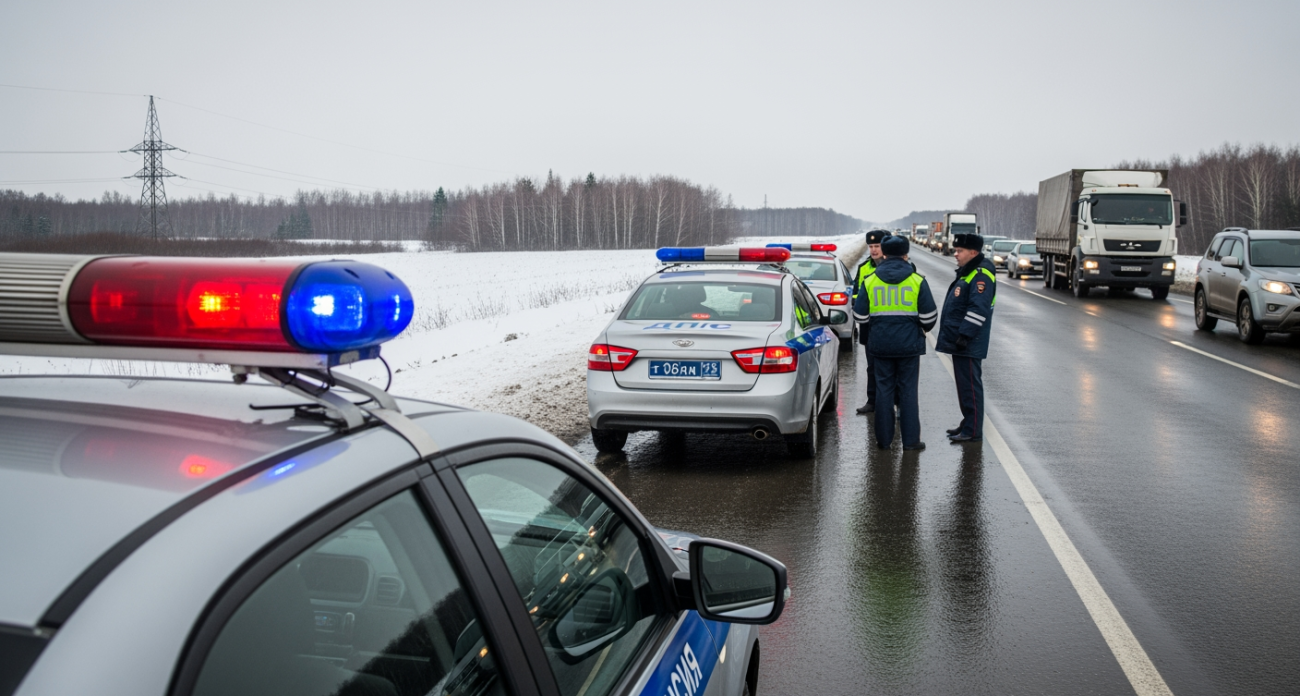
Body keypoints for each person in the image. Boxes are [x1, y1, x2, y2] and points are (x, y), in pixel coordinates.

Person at [853, 235, 938, 451]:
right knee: (908, 392)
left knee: (883, 391)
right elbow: (929, 317)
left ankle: (883, 441)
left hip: (880, 346)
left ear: (885, 253)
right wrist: (916, 328)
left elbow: (860, 317)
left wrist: (878, 325)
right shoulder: (917, 280)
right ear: (905, 254)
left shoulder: (870, 280)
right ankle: (911, 441)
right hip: (909, 347)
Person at [936, 232, 996, 443]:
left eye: (960, 251)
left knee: (970, 386)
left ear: (973, 252)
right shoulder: (968, 272)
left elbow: (978, 309)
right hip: (962, 340)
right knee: (964, 385)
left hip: (969, 342)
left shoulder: (980, 275)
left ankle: (972, 430)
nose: (955, 254)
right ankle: (968, 422)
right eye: (955, 250)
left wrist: (964, 335)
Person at [854, 230, 888, 415]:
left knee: (893, 367)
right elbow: (855, 294)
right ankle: (872, 400)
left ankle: (895, 403)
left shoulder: (901, 266)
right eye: (871, 246)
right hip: (870, 325)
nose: (874, 250)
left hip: (891, 325)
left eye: (877, 246)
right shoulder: (864, 268)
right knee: (872, 366)